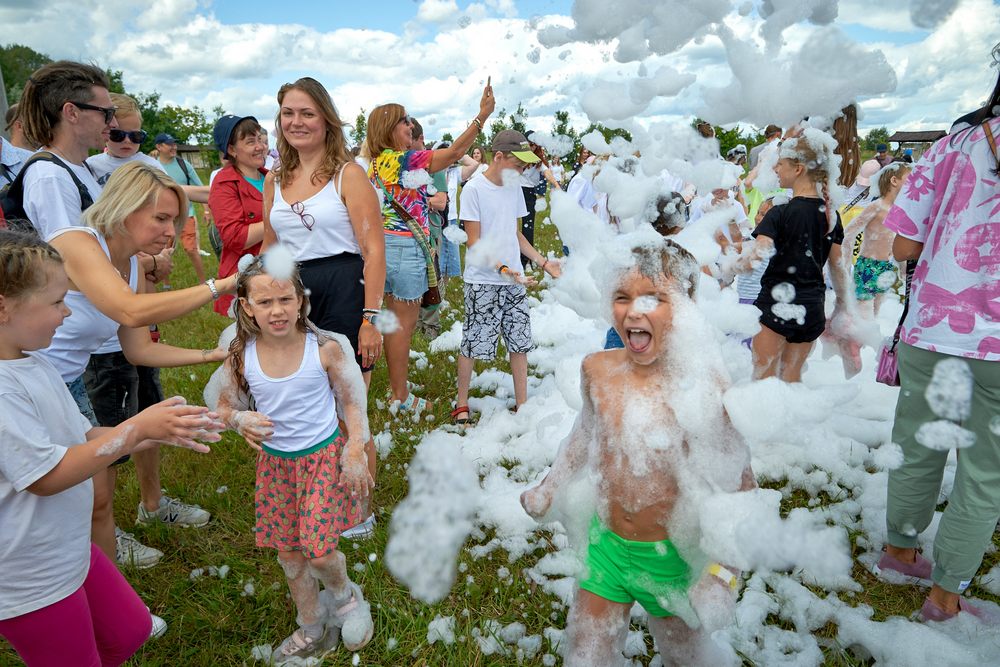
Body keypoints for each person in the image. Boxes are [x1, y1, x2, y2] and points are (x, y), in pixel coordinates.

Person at [520, 240, 755, 665]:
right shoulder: (598, 369)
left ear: (684, 309)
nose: (633, 311)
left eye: (653, 298)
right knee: (586, 654)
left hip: (671, 560)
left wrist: (722, 576)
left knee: (685, 657)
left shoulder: (704, 389)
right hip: (606, 549)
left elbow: (740, 487)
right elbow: (585, 434)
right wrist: (550, 487)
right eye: (622, 296)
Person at [0, 229, 223, 667]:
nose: (67, 312)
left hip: (69, 546)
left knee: (129, 631)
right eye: (57, 302)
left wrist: (152, 433)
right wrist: (133, 430)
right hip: (32, 575)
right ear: (3, 307)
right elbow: (45, 477)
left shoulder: (34, 360)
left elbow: (80, 437)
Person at [40, 163, 233, 604]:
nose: (170, 231)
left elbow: (139, 349)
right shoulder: (77, 243)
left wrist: (211, 355)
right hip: (24, 383)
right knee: (68, 500)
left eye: (174, 220)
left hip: (67, 385)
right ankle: (72, 601)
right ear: (124, 209)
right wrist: (220, 285)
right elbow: (128, 311)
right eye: (160, 218)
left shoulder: (130, 265)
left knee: (98, 498)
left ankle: (111, 605)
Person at [874, 67, 1000, 623]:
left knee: (917, 443)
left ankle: (900, 551)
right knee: (985, 472)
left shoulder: (955, 142)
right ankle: (946, 596)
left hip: (933, 328)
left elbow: (902, 246)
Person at [215, 257, 374, 663]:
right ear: (246, 306)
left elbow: (352, 401)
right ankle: (311, 623)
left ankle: (345, 597)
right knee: (289, 554)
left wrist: (355, 446)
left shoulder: (324, 349)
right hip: (276, 466)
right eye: (265, 302)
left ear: (301, 300)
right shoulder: (242, 355)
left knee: (319, 552)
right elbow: (223, 405)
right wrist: (238, 419)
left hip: (321, 460)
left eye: (285, 299)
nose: (277, 310)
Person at [364, 79, 495, 413]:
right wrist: (482, 116)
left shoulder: (379, 162)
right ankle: (400, 396)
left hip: (387, 246)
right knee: (402, 326)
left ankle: (396, 386)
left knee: (392, 322)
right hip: (404, 249)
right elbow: (454, 154)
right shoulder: (402, 160)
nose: (411, 126)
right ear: (388, 129)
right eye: (404, 121)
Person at [451, 130, 561, 424]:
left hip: (515, 280)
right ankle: (461, 402)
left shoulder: (514, 188)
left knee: (519, 340)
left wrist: (542, 262)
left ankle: (522, 403)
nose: (522, 170)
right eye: (518, 164)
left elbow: (516, 235)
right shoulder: (474, 190)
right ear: (498, 157)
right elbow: (473, 241)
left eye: (525, 166)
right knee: (474, 340)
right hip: (483, 280)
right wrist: (500, 268)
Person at [735, 130, 850, 382]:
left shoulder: (779, 212)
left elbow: (755, 258)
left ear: (798, 169)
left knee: (763, 379)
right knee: (792, 379)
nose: (775, 169)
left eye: (780, 164)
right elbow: (838, 267)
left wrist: (730, 266)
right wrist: (843, 305)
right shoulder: (831, 215)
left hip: (776, 303)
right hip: (812, 307)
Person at [208, 114, 267, 317]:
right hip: (247, 278)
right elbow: (235, 237)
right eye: (250, 142)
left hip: (280, 270)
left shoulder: (272, 177)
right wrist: (278, 219)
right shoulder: (224, 183)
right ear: (232, 150)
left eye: (260, 139)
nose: (260, 146)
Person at [842, 163, 911, 318]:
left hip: (886, 267)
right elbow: (849, 232)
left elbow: (896, 242)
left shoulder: (898, 211)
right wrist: (845, 264)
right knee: (862, 312)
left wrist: (903, 268)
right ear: (894, 181)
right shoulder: (876, 206)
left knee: (876, 312)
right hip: (868, 265)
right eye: (909, 180)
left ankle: (868, 333)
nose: (912, 184)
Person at [154, 132, 210, 284]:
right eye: (169, 144)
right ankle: (165, 285)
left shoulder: (184, 165)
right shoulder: (153, 166)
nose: (174, 147)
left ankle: (203, 283)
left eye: (174, 144)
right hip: (163, 217)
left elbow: (200, 188)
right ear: (159, 147)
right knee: (162, 251)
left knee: (191, 249)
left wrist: (206, 210)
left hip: (186, 214)